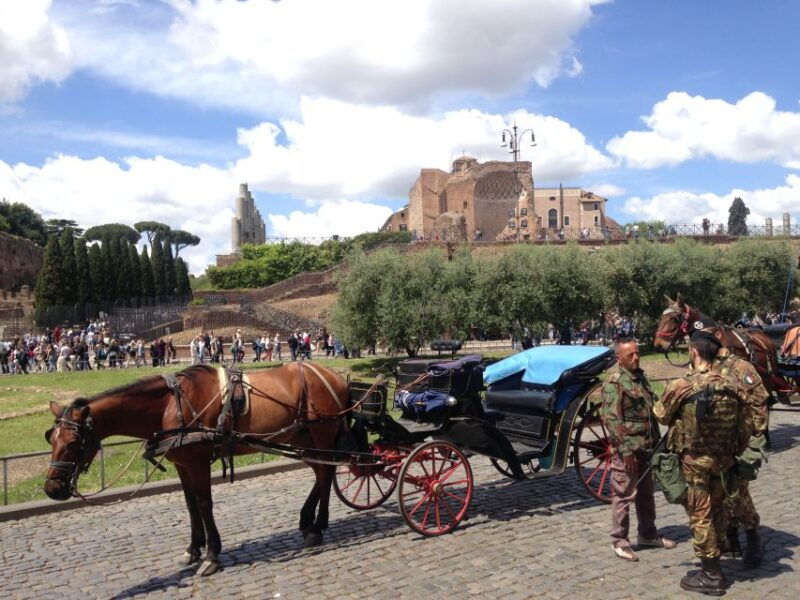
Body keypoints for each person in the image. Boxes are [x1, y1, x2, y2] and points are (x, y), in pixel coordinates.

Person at [654, 330, 742, 595]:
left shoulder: (684, 385)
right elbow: (746, 425)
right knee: (718, 510)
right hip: (724, 462)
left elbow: (660, 414)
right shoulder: (732, 385)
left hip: (696, 464)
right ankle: (719, 555)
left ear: (693, 352)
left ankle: (711, 574)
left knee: (700, 515)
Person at [600, 338, 676, 561]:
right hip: (629, 450)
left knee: (646, 494)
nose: (635, 357)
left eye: (637, 353)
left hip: (647, 446)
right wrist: (625, 450)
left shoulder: (640, 377)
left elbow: (652, 407)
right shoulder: (615, 382)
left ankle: (648, 534)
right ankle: (620, 541)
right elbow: (612, 419)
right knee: (624, 495)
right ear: (619, 359)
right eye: (630, 355)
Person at [712, 329, 769, 569]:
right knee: (720, 496)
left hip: (739, 446)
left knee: (738, 494)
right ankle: (728, 536)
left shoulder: (741, 368)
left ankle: (753, 537)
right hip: (715, 447)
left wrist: (754, 438)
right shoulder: (706, 368)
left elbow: (760, 401)